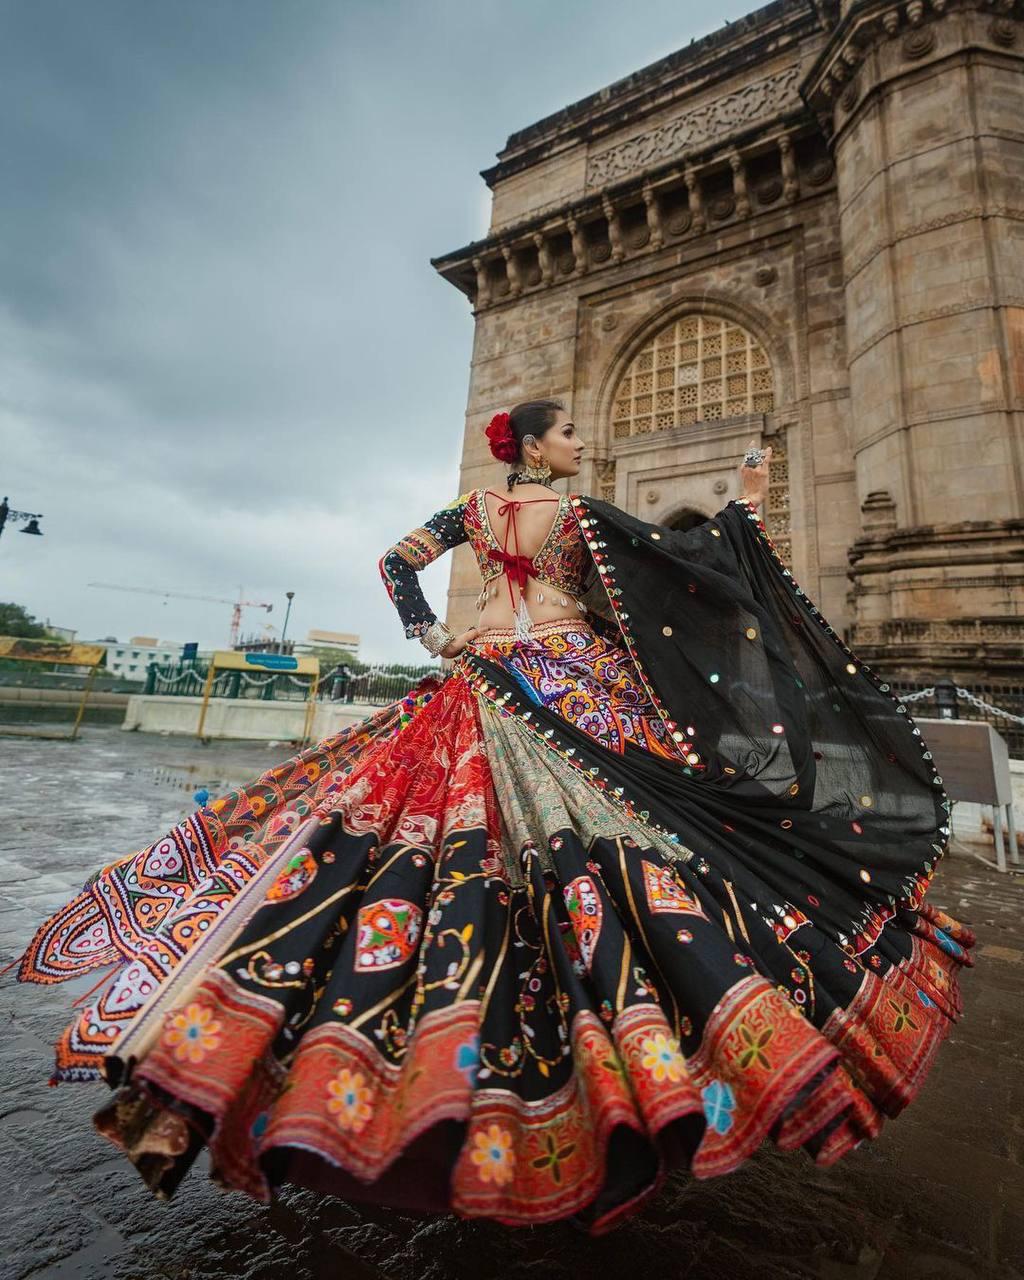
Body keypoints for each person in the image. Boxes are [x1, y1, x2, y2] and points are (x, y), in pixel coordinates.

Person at [11, 399, 974, 1233]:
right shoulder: (578, 517)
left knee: (429, 840)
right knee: (653, 839)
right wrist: (746, 498)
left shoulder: (473, 511)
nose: (580, 447)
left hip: (487, 674)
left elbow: (394, 562)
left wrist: (430, 634)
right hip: (577, 686)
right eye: (569, 436)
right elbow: (681, 572)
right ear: (537, 447)